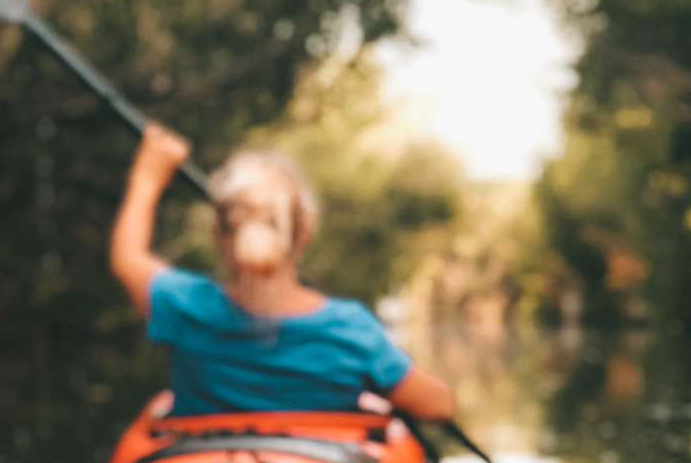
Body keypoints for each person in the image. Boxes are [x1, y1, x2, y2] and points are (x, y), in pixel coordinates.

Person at [109, 123, 455, 420]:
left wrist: (147, 177)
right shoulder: (350, 331)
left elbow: (127, 257)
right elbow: (438, 406)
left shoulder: (185, 307)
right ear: (304, 229)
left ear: (218, 232)